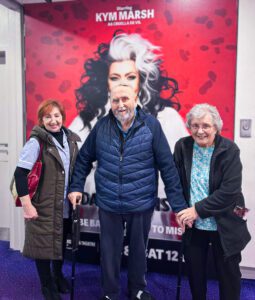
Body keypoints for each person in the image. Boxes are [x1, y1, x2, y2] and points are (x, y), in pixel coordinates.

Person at [68, 83, 188, 300]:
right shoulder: (102, 126)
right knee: (109, 253)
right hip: (109, 203)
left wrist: (179, 207)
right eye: (115, 100)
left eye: (125, 99)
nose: (120, 105)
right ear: (110, 102)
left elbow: (168, 167)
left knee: (139, 253)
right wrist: (76, 186)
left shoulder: (151, 126)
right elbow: (84, 157)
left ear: (135, 99)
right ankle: (110, 292)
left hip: (140, 203)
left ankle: (138, 289)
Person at [69, 32, 188, 200]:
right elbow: (76, 165)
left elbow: (174, 169)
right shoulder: (86, 121)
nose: (123, 83)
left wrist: (179, 206)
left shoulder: (167, 119)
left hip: (153, 210)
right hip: (101, 207)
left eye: (131, 77)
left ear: (141, 81)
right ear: (106, 83)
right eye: (115, 78)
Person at [174, 103, 251, 300]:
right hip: (194, 225)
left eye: (206, 126)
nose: (200, 131)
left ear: (216, 127)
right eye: (195, 125)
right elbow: (175, 183)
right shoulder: (182, 147)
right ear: (189, 127)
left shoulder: (229, 149)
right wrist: (181, 211)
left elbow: (229, 192)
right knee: (195, 275)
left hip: (225, 223)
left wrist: (196, 210)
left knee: (229, 277)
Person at [14, 99, 81, 300]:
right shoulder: (36, 142)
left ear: (63, 117)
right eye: (48, 116)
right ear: (41, 120)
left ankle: (57, 275)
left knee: (59, 243)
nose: (53, 120)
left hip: (65, 206)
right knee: (42, 247)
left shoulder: (71, 140)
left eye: (57, 115)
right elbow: (19, 175)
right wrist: (27, 205)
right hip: (43, 206)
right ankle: (47, 286)